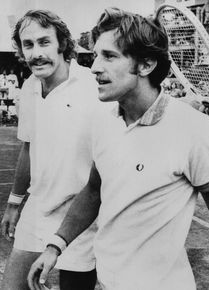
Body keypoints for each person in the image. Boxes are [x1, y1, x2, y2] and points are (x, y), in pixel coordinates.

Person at [27, 7, 209, 290]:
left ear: (146, 65)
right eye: (96, 55)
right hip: (108, 283)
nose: (95, 67)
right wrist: (56, 245)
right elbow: (93, 189)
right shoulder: (103, 121)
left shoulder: (194, 129)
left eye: (109, 56)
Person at [1, 9, 99, 290]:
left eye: (44, 42)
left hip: (81, 213)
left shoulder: (94, 87)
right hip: (38, 209)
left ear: (62, 45)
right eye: (28, 44)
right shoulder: (28, 88)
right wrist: (13, 203)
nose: (36, 53)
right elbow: (28, 147)